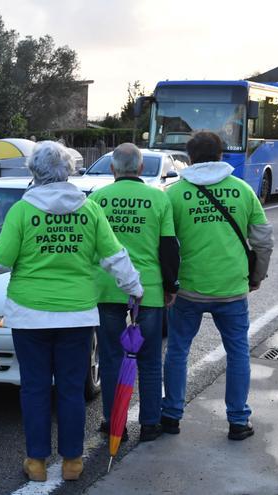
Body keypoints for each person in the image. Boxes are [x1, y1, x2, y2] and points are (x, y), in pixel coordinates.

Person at [0, 140, 143, 482]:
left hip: (29, 315)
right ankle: (73, 462)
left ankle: (35, 462)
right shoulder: (89, 210)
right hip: (77, 316)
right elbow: (115, 257)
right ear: (70, 170)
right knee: (70, 388)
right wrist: (134, 288)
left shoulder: (22, 211)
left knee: (34, 389)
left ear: (34, 171)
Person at [162, 131, 274, 440]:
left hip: (187, 290)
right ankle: (238, 421)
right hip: (231, 289)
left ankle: (171, 415)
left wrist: (168, 284)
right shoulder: (242, 191)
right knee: (237, 352)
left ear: (191, 157)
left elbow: (165, 245)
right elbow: (263, 241)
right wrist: (256, 277)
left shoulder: (174, 194)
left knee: (177, 351)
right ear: (222, 155)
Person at [90, 143, 180, 443]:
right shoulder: (158, 197)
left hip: (106, 288)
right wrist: (170, 287)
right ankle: (151, 423)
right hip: (149, 290)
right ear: (141, 169)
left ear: (113, 169)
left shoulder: (98, 199)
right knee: (150, 359)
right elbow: (168, 247)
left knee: (112, 358)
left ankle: (114, 423)